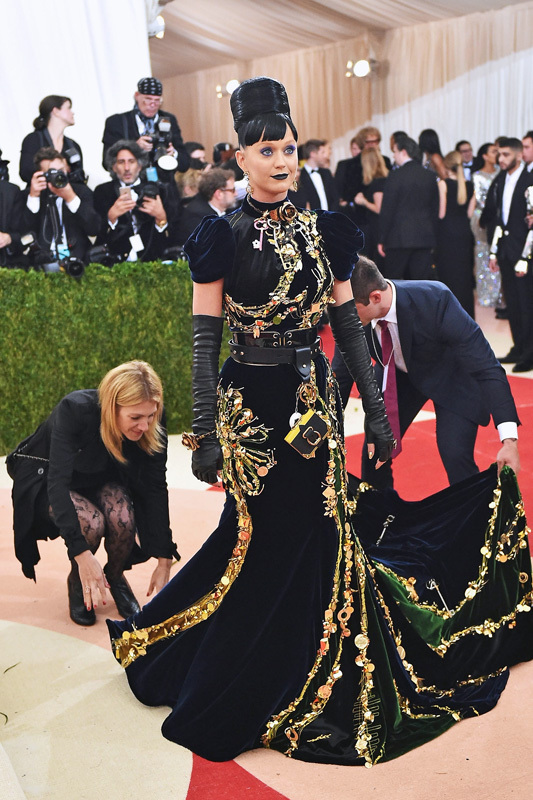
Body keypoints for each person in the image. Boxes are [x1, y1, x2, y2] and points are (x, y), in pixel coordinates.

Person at [107, 77, 532, 767]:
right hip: (252, 404)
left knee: (318, 530)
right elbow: (203, 339)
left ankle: (305, 654)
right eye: (264, 148)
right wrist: (208, 428)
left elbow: (347, 328)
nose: (280, 159)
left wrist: (377, 416)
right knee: (256, 536)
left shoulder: (326, 232)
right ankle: (220, 660)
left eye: (288, 148)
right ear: (238, 157)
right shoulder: (218, 237)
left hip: (313, 403)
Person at [7, 361, 179, 626]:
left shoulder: (151, 417)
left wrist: (164, 558)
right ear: (112, 408)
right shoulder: (75, 410)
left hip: (100, 476)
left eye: (150, 416)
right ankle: (79, 580)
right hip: (52, 479)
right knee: (90, 522)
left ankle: (115, 575)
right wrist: (82, 556)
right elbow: (58, 483)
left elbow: (155, 485)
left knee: (121, 515)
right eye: (135, 418)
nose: (145, 426)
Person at [332, 254, 520, 489]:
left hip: (452, 377)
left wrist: (509, 440)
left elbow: (487, 367)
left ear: (375, 297)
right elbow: (340, 376)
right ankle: (380, 516)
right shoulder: (352, 317)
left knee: (454, 452)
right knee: (375, 451)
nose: (342, 319)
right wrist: (324, 429)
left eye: (350, 312)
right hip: (398, 377)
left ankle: (473, 518)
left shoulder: (436, 299)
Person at [481, 137, 533, 371]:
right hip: (505, 250)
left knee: (527, 304)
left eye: (505, 155)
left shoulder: (530, 179)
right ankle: (518, 347)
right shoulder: (501, 179)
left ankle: (529, 353)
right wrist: (494, 252)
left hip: (525, 251)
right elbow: (497, 218)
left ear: (518, 155)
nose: (500, 159)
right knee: (512, 303)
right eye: (498, 154)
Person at [93, 140, 179, 263]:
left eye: (131, 162)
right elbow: (97, 236)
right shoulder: (103, 192)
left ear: (140, 165)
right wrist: (111, 218)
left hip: (153, 262)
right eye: (121, 162)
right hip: (115, 263)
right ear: (114, 166)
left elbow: (173, 235)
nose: (127, 168)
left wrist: (161, 218)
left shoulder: (160, 190)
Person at [22, 147, 100, 268]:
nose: (58, 176)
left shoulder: (81, 191)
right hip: (41, 261)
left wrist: (71, 198)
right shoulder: (29, 194)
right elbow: (23, 232)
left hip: (78, 261)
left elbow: (94, 228)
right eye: (52, 172)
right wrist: (34, 197)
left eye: (61, 171)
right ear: (40, 175)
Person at [378, 134, 439, 280]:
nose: (393, 156)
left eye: (395, 152)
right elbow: (434, 209)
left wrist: (382, 239)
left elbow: (387, 210)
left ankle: (399, 305)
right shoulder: (429, 176)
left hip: (398, 238)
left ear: (403, 152)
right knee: (421, 282)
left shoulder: (394, 176)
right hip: (424, 238)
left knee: (395, 282)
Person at [101, 77, 190, 178]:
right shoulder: (117, 122)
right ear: (137, 96)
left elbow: (185, 163)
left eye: (157, 101)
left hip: (165, 186)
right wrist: (134, 147)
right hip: (133, 184)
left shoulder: (168, 120)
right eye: (148, 99)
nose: (152, 105)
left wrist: (173, 153)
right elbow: (106, 163)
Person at [434, 151, 476, 317]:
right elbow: (469, 214)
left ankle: (450, 315)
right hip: (464, 234)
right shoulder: (470, 185)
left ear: (445, 165)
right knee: (465, 275)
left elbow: (441, 214)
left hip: (447, 235)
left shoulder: (443, 184)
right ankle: (467, 314)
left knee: (448, 274)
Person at [20, 95, 85, 185]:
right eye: (68, 108)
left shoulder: (74, 145)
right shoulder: (33, 140)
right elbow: (25, 172)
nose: (72, 113)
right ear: (56, 111)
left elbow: (79, 177)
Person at [471, 143, 501, 307]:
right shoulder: (477, 176)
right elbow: (477, 201)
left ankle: (499, 293)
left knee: (498, 252)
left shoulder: (500, 172)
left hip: (499, 218)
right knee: (483, 252)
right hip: (482, 217)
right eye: (493, 151)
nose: (497, 154)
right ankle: (486, 294)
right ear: (484, 155)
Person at [175, 167, 236, 245]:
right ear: (219, 194)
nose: (236, 194)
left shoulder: (230, 212)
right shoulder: (197, 216)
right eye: (232, 190)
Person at [353, 147, 388, 265]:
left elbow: (379, 208)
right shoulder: (384, 180)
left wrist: (364, 202)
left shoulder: (378, 183)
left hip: (376, 229)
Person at [297, 139, 339, 211]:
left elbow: (335, 198)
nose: (325, 156)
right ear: (313, 154)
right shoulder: (300, 176)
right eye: (322, 152)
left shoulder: (326, 173)